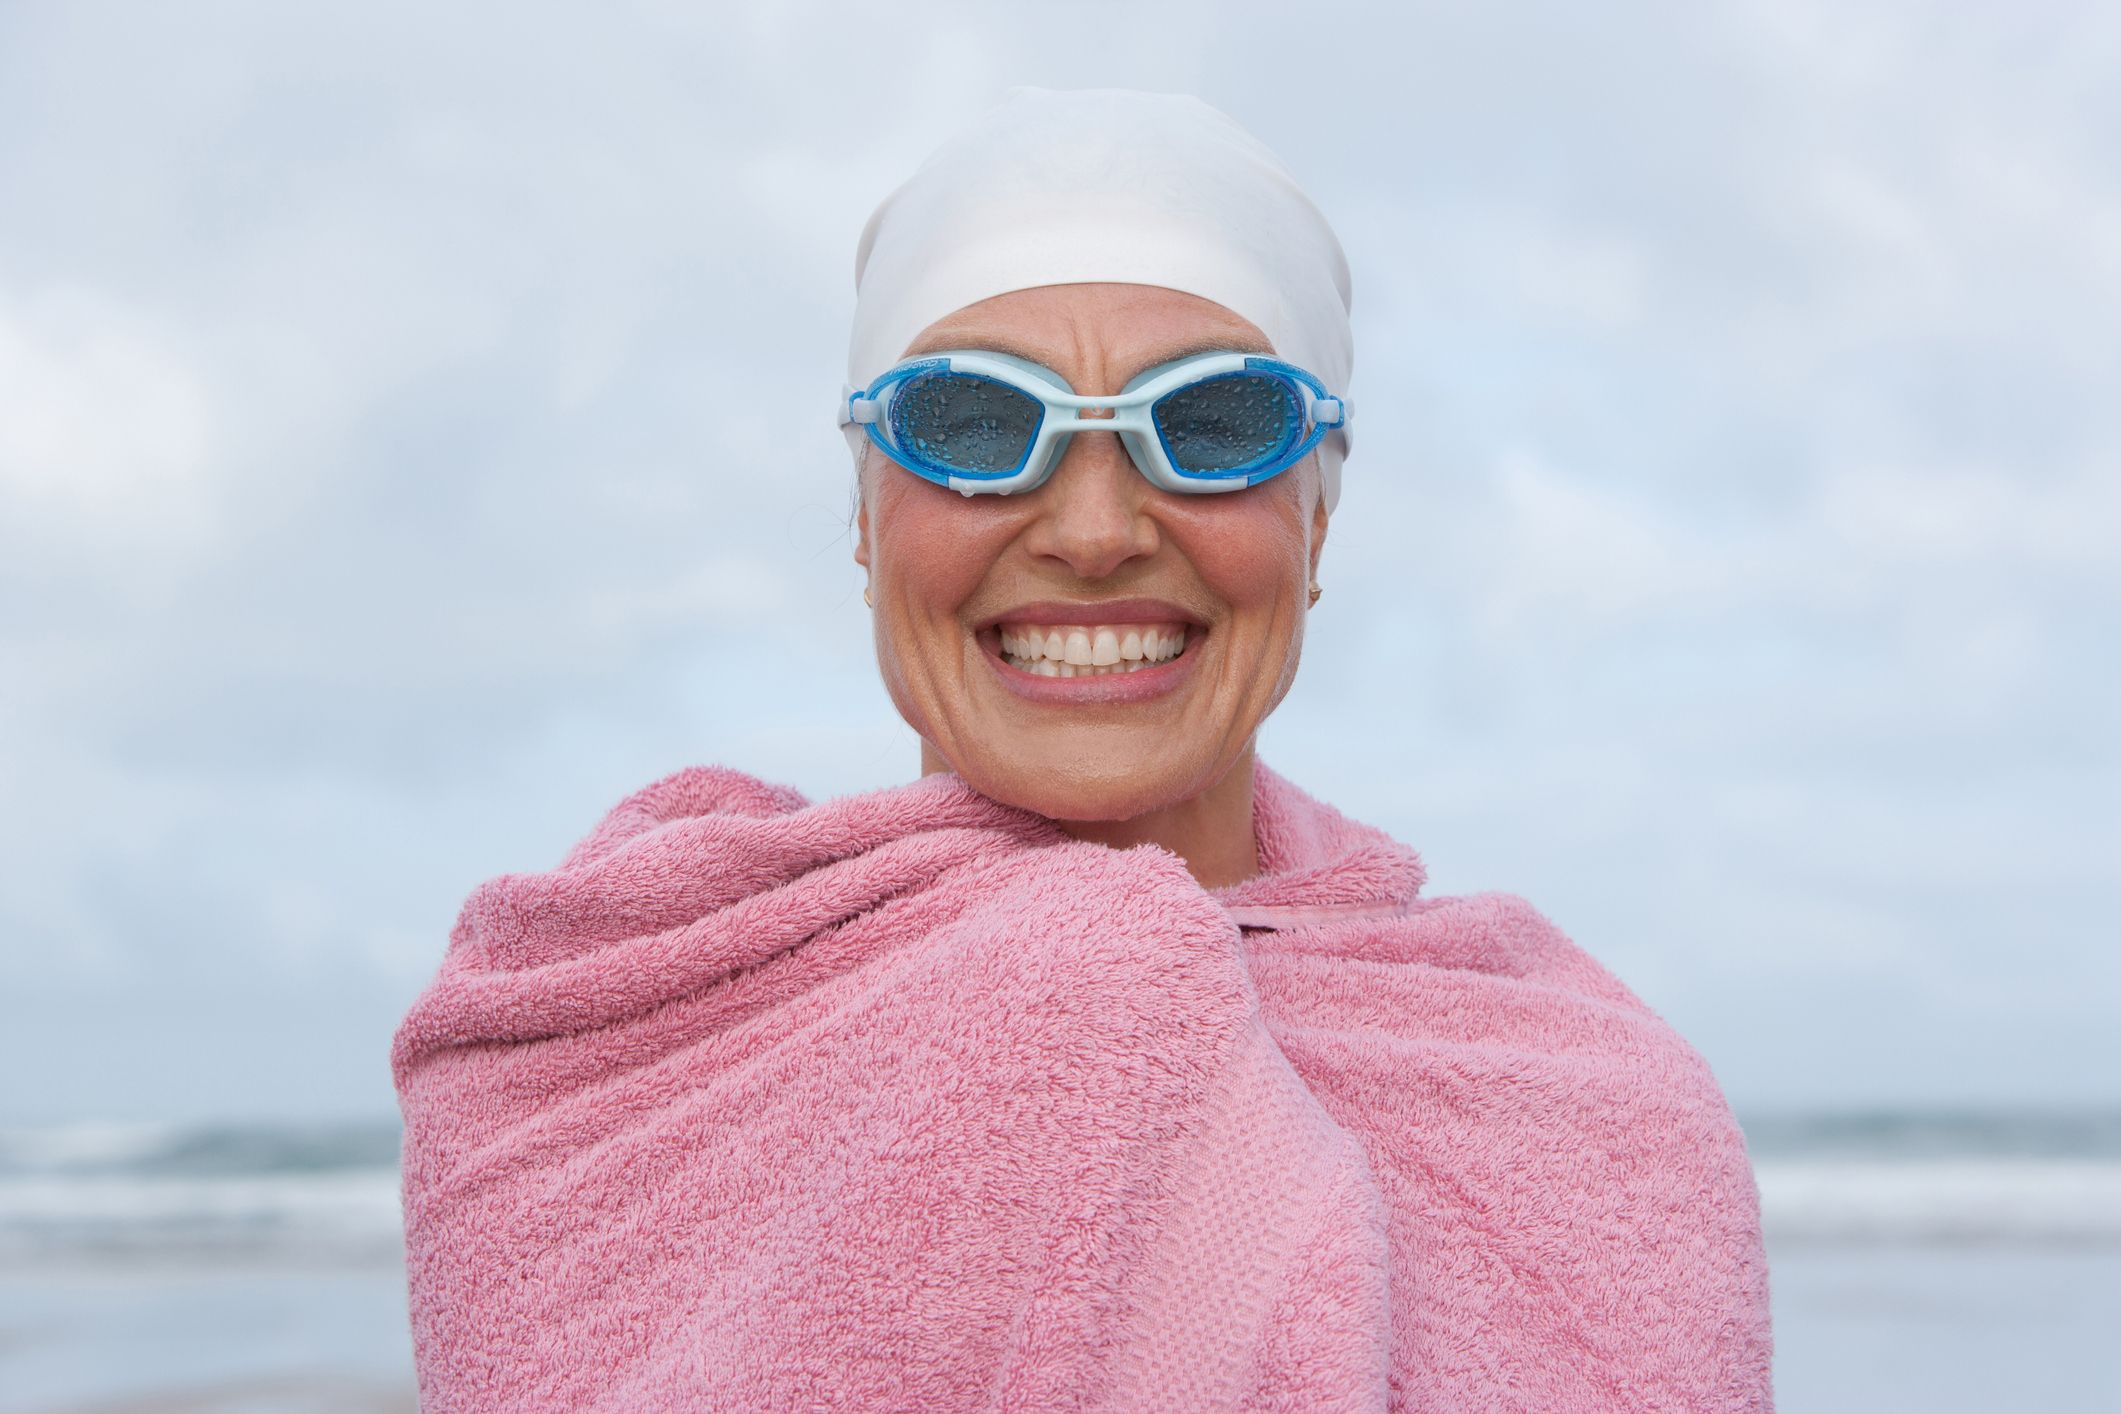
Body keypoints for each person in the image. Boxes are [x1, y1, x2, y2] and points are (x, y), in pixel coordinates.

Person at [393, 88, 1774, 1411]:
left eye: (1215, 423)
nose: (1096, 526)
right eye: (976, 422)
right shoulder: (606, 1049)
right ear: (868, 520)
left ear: (1317, 523)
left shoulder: (1593, 1117)